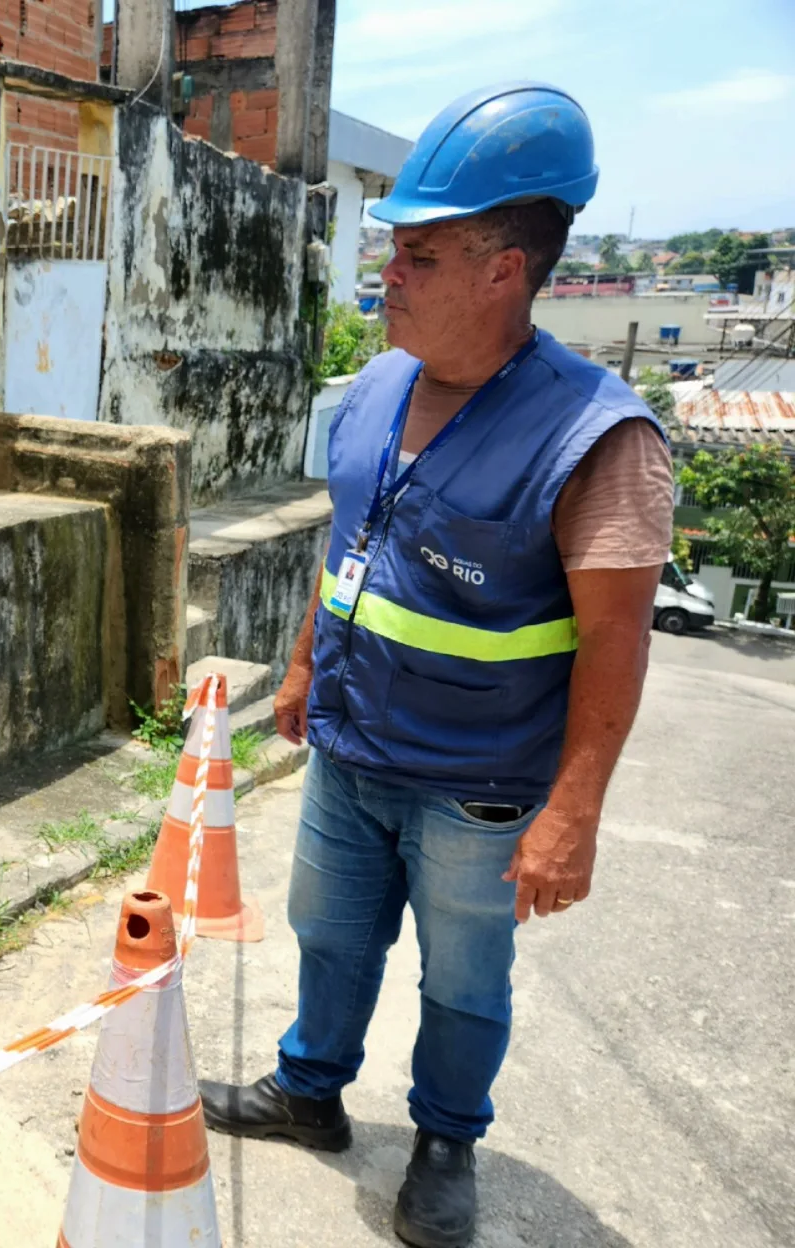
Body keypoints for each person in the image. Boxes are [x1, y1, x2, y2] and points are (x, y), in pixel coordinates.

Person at [197, 84, 675, 1248]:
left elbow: (616, 642)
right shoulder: (373, 388)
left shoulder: (596, 439)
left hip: (480, 783)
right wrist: (309, 664)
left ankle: (445, 1139)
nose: (387, 274)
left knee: (463, 980)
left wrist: (573, 814)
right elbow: (346, 540)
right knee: (329, 934)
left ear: (504, 268)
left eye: (416, 253)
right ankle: (309, 1092)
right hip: (355, 749)